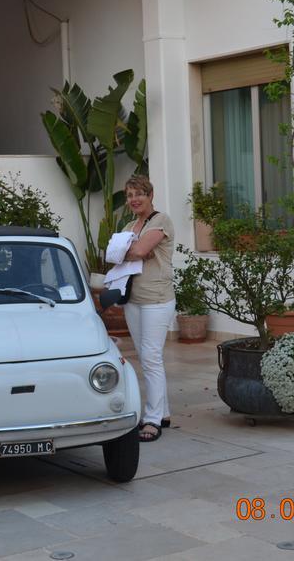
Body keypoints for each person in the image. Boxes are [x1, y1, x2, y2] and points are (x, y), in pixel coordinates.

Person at [121, 174, 175, 442]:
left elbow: (138, 252)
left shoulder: (160, 220)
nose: (134, 199)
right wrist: (135, 249)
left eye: (138, 194)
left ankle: (152, 419)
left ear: (150, 195)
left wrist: (132, 248)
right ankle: (163, 411)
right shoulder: (131, 224)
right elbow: (113, 254)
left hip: (157, 298)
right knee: (146, 357)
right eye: (130, 195)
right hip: (134, 299)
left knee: (151, 357)